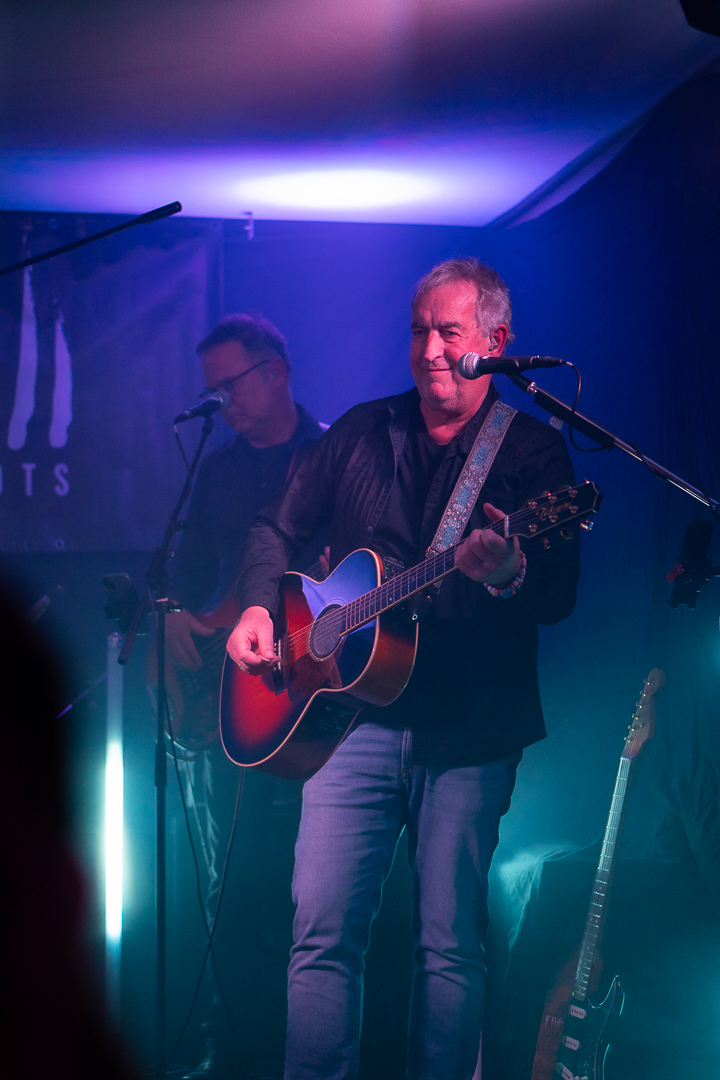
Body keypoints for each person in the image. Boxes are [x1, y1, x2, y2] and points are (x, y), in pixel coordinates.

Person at [227, 259, 581, 1080]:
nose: (428, 350)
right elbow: (275, 528)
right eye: (419, 331)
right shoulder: (361, 430)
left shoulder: (533, 452)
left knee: (448, 944)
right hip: (350, 719)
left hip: (469, 726)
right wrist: (256, 608)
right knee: (320, 932)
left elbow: (558, 595)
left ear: (496, 341)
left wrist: (508, 573)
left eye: (448, 332)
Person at [164, 313, 326, 1078]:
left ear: (276, 371)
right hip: (229, 692)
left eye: (230, 384)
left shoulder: (331, 456)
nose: (221, 401)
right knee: (228, 886)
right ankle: (228, 1049)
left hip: (313, 694)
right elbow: (191, 568)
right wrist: (174, 613)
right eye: (213, 390)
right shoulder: (219, 471)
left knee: (310, 894)